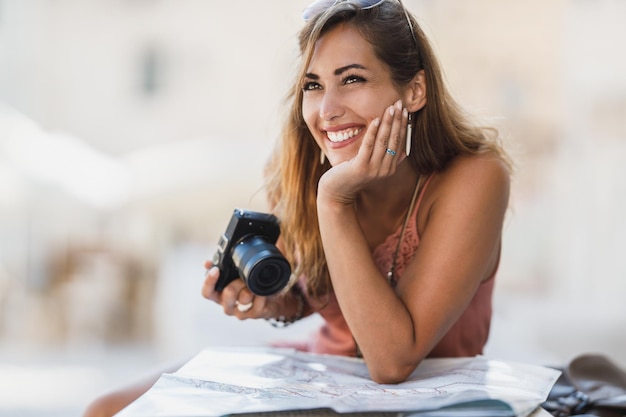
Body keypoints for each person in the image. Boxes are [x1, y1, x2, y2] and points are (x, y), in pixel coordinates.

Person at [83, 0, 511, 415]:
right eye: (313, 85)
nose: (327, 110)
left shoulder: (474, 177)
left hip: (431, 397)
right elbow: (308, 299)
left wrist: (335, 201)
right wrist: (272, 304)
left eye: (353, 79)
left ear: (415, 90)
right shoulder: (300, 168)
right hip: (317, 376)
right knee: (106, 409)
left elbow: (392, 362)